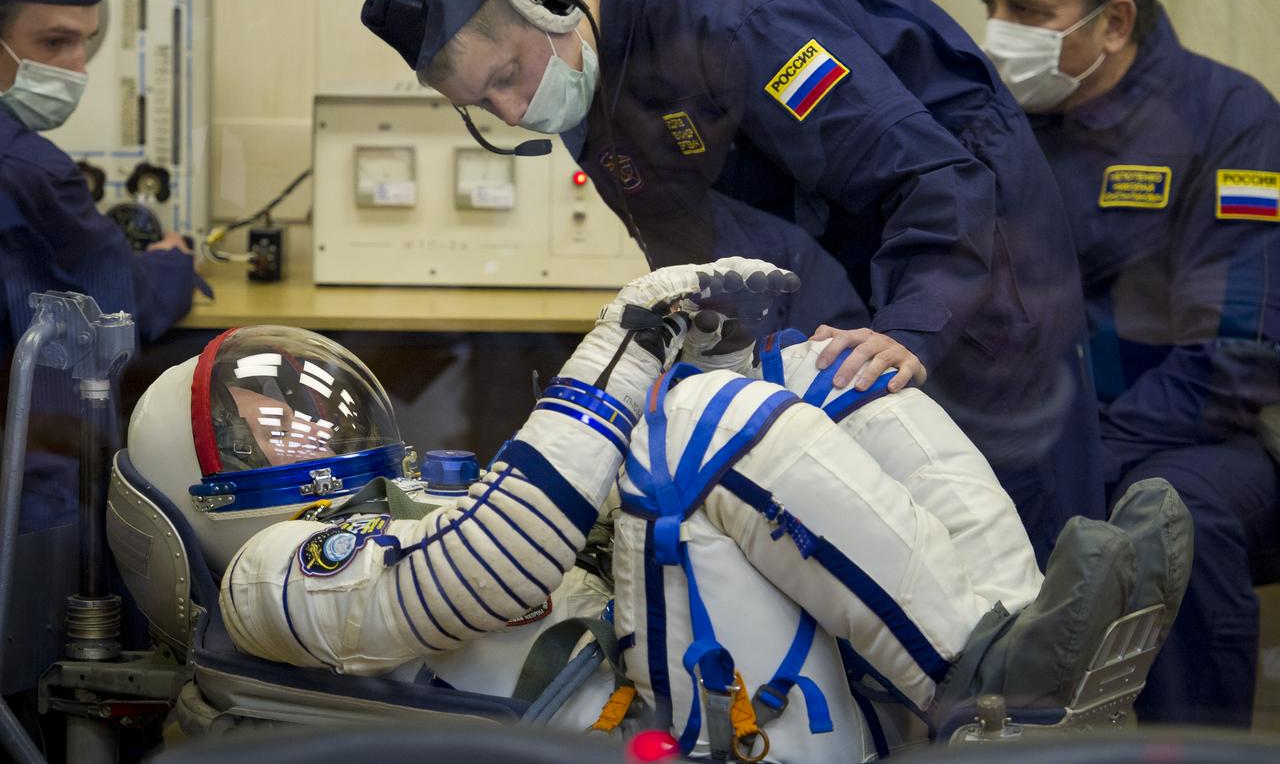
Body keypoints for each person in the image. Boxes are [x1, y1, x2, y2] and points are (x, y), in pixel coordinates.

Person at [117, 258, 1189, 762]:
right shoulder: (266, 581)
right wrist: (630, 344)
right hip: (649, 729)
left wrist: (733, 352)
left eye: (312, 416)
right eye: (268, 431)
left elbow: (532, 534)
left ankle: (1015, 641)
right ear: (193, 480)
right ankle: (992, 692)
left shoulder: (380, 514)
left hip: (664, 692)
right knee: (692, 432)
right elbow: (490, 572)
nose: (313, 442)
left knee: (822, 371)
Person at [360, 0, 1107, 565]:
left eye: (507, 75)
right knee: (887, 558)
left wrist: (910, 327)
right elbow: (715, 261)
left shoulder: (737, 15)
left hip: (971, 261)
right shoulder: (592, 86)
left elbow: (928, 175)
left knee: (1008, 549)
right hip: (852, 284)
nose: (517, 110)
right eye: (484, 104)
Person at [966, 0, 1280, 728]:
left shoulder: (1229, 119)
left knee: (1171, 518)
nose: (1001, 32)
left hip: (1189, 438)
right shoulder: (995, 125)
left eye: (1027, 11)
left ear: (1115, 21)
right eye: (989, 5)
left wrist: (1081, 459)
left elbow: (1238, 356)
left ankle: (1189, 748)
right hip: (1025, 432)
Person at [0, 0, 195, 534]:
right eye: (54, 41)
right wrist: (174, 267)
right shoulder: (31, 169)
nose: (77, 69)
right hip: (31, 494)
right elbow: (115, 311)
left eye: (84, 42)